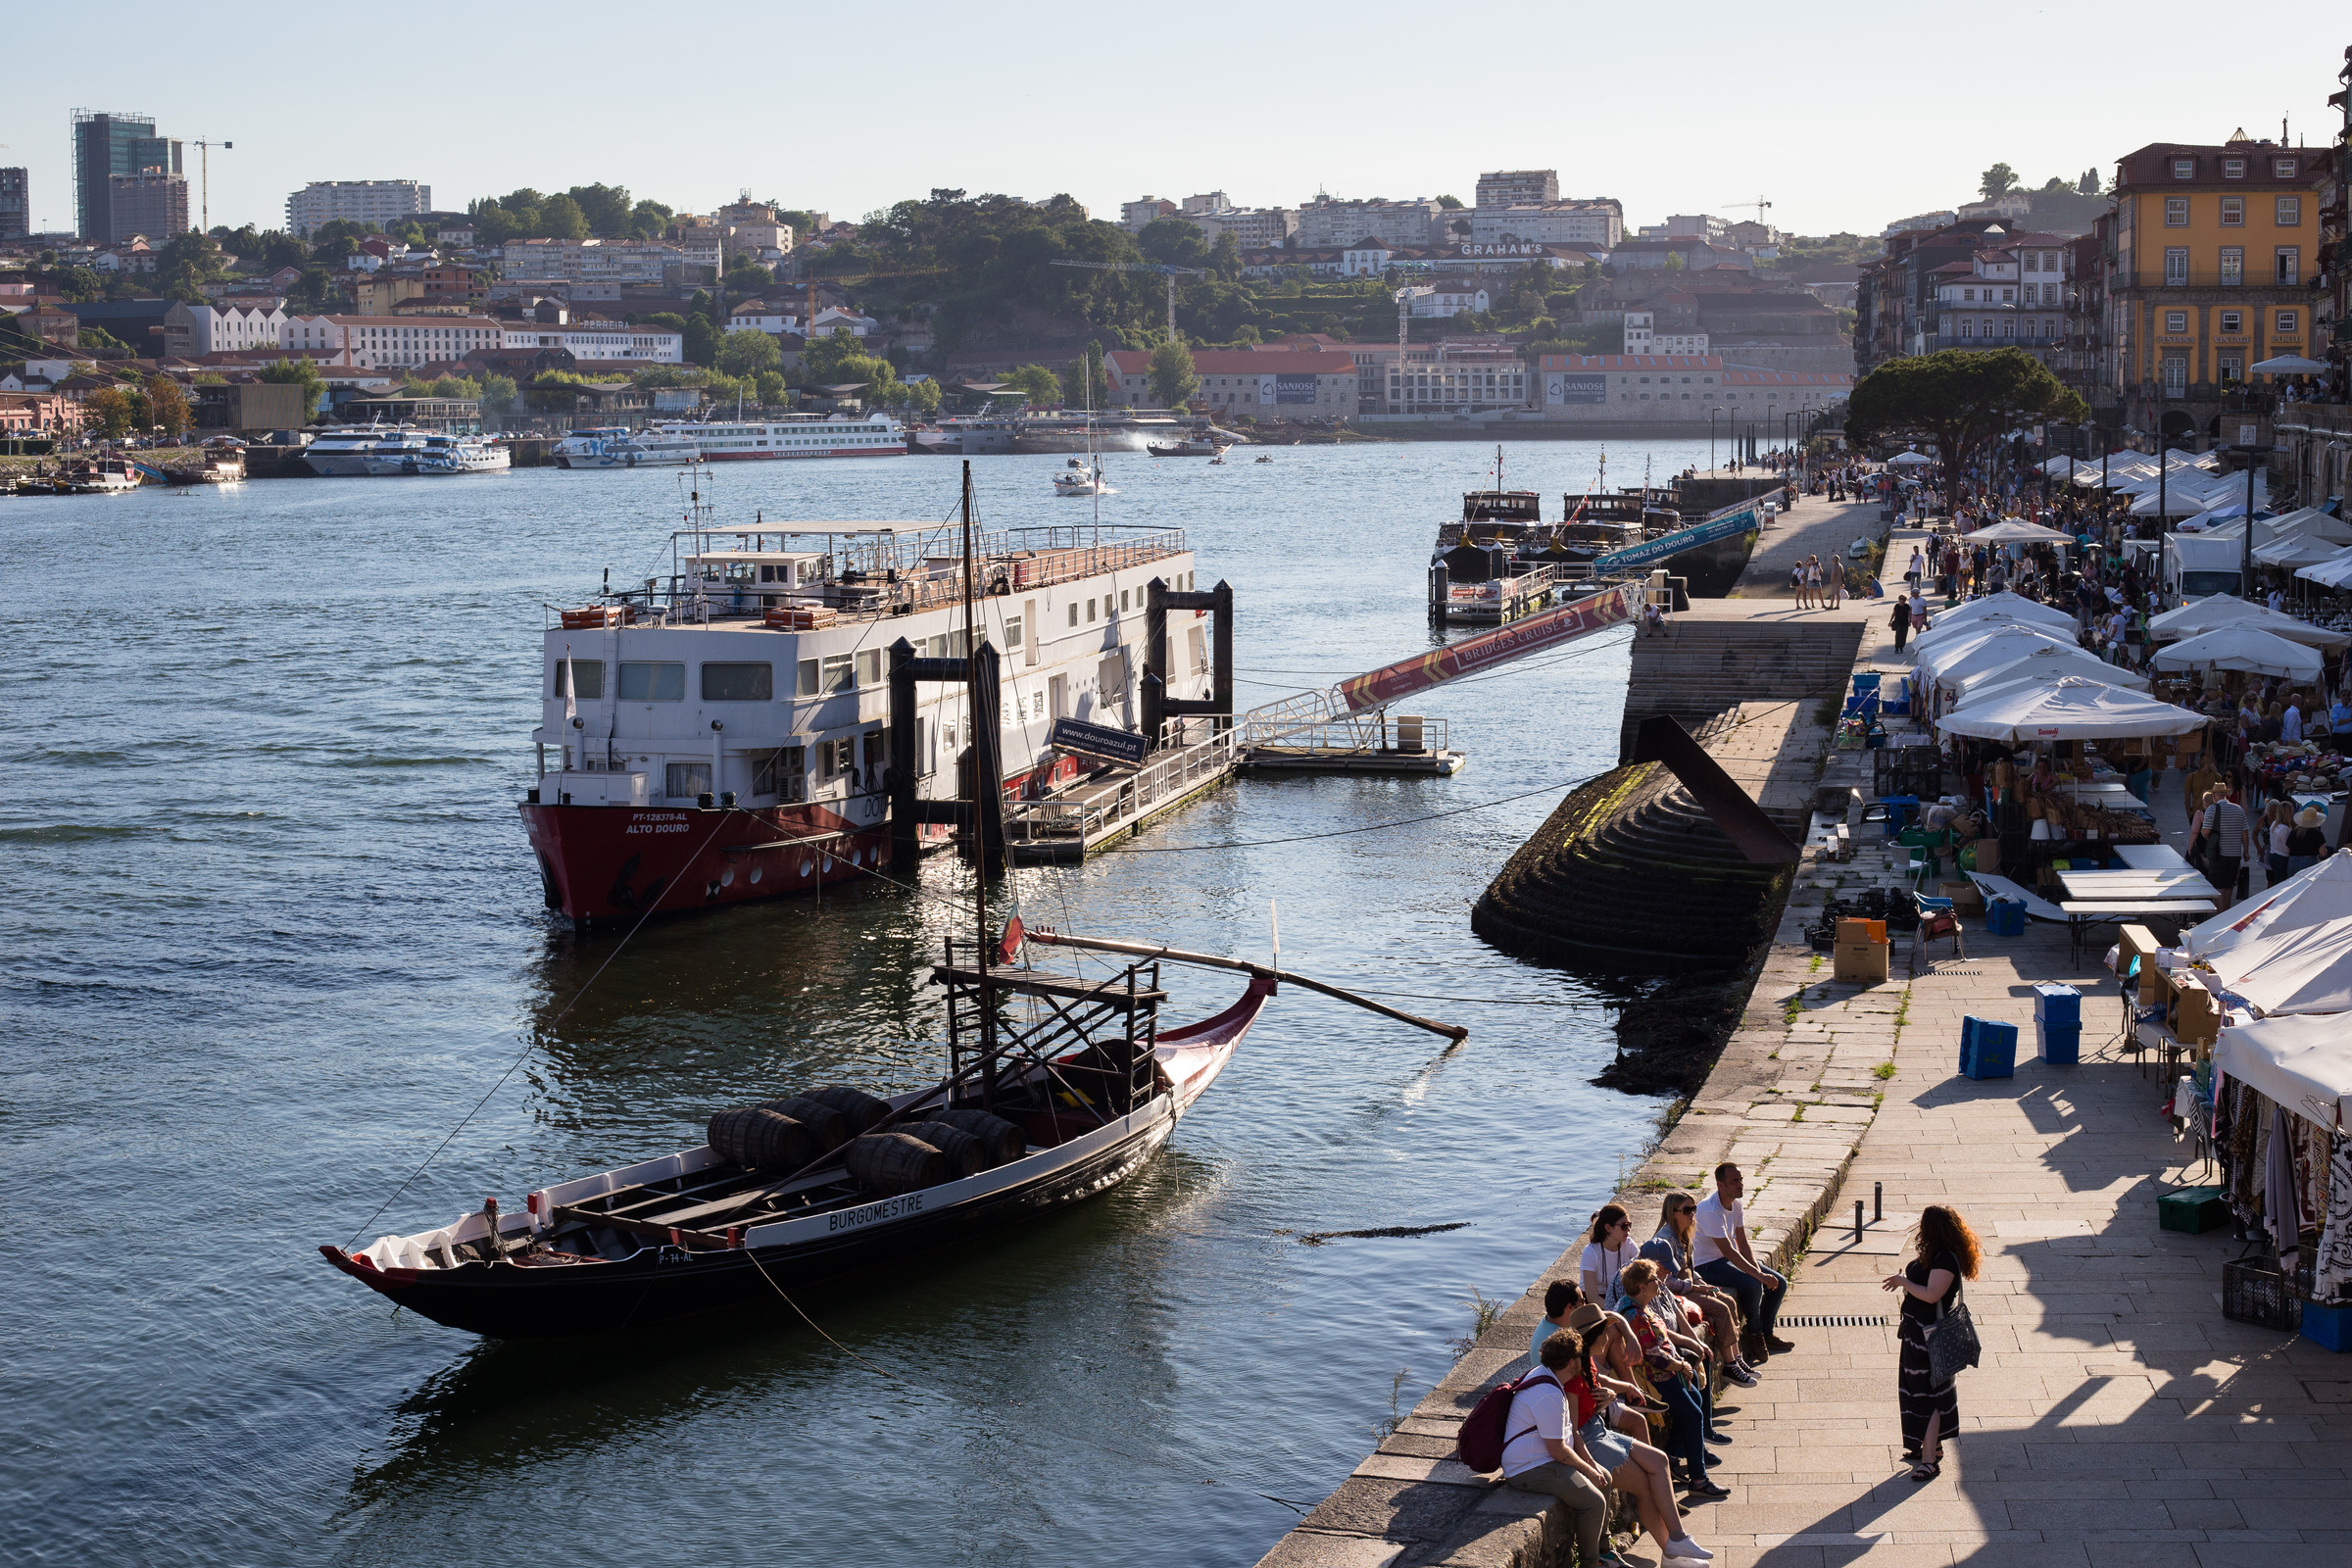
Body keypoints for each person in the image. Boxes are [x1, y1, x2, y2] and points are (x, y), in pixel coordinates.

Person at [1558, 1323, 1712, 1562]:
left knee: (1659, 1459)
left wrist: (1621, 1389)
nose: (1608, 1337)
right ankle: (1672, 1552)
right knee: (1645, 1485)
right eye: (1604, 1334)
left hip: (1600, 1431)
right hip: (1589, 1441)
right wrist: (1588, 1464)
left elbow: (1597, 1381)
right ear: (1592, 1339)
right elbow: (1571, 1428)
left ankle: (1678, 1540)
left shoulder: (1586, 1362)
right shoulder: (1572, 1377)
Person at [1498, 1330, 1620, 1568]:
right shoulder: (1549, 1393)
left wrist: (1593, 1468)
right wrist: (1588, 1470)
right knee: (1593, 1502)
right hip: (1528, 1468)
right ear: (1572, 1362)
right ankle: (1590, 1562)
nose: (1583, 1361)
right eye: (1579, 1357)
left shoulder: (1550, 1380)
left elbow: (1570, 1436)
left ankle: (1603, 1548)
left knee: (1604, 1476)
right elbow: (1559, 1451)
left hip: (1543, 1460)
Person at [1881, 1204, 1982, 1483]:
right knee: (1917, 1394)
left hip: (1931, 1339)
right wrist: (1907, 1278)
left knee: (1931, 1398)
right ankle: (1931, 1448)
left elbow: (1931, 1294)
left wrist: (1904, 1282)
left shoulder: (1946, 1259)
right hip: (1917, 1336)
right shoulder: (1934, 1255)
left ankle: (1929, 1461)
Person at [1620, 1259, 1733, 1498]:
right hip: (1657, 1378)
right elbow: (1653, 1355)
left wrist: (1690, 1342)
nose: (1659, 1282)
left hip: (1667, 1373)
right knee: (1693, 1415)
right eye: (1654, 1280)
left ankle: (1671, 1455)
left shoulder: (1639, 1305)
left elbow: (1661, 1331)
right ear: (1642, 1286)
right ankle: (1699, 1480)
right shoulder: (1635, 1315)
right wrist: (1682, 1366)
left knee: (1694, 1401)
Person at [1641, 1192, 1758, 1386]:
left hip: (1688, 1287)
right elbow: (1665, 1282)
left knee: (1728, 1300)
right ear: (1673, 1213)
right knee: (1721, 1309)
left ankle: (1736, 1358)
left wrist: (1702, 1283)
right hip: (1675, 1293)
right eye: (1687, 1210)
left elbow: (1689, 1269)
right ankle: (1729, 1366)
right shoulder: (1665, 1241)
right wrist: (1695, 1287)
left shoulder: (1685, 1235)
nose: (1692, 1214)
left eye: (1693, 1209)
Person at [1691, 1163, 1792, 1363]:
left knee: (1779, 1283)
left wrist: (1758, 1270)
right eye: (1734, 1181)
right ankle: (1754, 1334)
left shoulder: (1736, 1203)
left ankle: (1766, 1332)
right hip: (1705, 1265)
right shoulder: (1710, 1211)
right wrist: (1758, 1276)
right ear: (1720, 1185)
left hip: (1723, 1258)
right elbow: (1728, 1251)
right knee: (1752, 1284)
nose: (1740, 1184)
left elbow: (1742, 1243)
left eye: (1741, 1179)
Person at [1582, 1205, 1641, 1306]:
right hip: (1597, 1304)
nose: (1628, 1229)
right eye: (1624, 1226)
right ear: (1608, 1228)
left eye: (1630, 1225)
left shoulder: (1628, 1244)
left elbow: (1644, 1269)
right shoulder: (1590, 1253)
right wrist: (1619, 1310)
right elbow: (1592, 1297)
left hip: (1619, 1298)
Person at [2201, 787, 2249, 906]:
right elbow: (2245, 833)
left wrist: (2209, 838)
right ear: (2225, 795)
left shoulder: (2212, 809)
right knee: (2229, 887)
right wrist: (2246, 851)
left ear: (2214, 795)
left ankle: (2220, 916)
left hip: (2219, 854)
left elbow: (2206, 831)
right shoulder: (2238, 809)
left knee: (2218, 888)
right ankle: (2227, 914)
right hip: (2235, 855)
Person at [2286, 806, 2326, 874]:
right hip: (2309, 862)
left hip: (2293, 861)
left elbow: (2288, 849)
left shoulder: (2295, 831)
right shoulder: (2317, 834)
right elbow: (2323, 853)